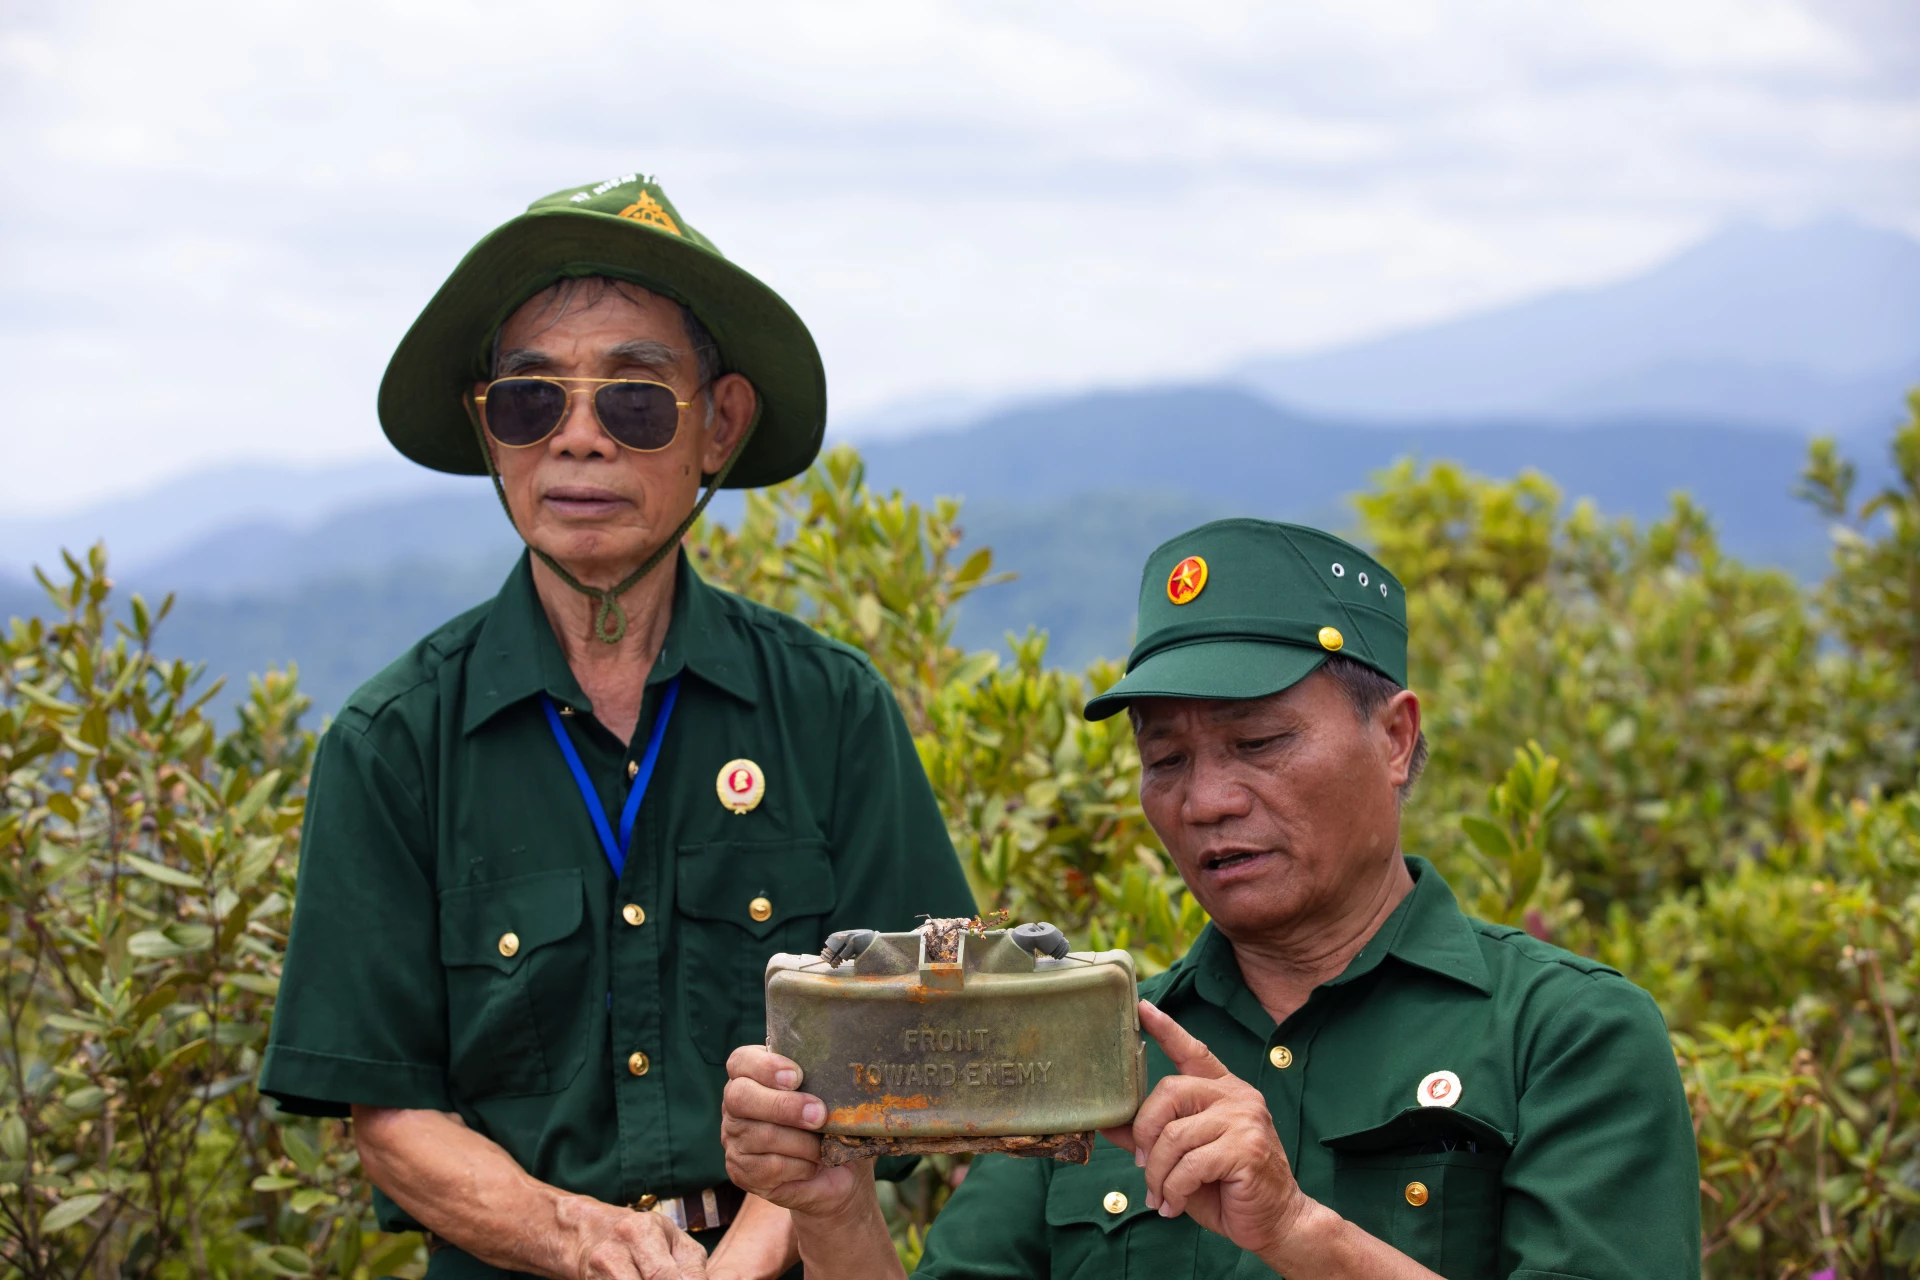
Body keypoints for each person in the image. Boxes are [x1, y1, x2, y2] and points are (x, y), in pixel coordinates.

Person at [259, 172, 976, 1280]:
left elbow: (907, 1042)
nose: (579, 439)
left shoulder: (830, 710)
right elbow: (391, 1114)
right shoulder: (393, 741)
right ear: (490, 434)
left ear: (718, 427)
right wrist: (580, 1239)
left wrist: (739, 1259)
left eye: (634, 400)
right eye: (531, 399)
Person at [720, 518, 1702, 1279]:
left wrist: (1297, 1228)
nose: (1206, 798)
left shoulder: (1562, 1033)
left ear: (1395, 738)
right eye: (1165, 757)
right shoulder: (1089, 1047)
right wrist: (834, 1205)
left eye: (1260, 742)